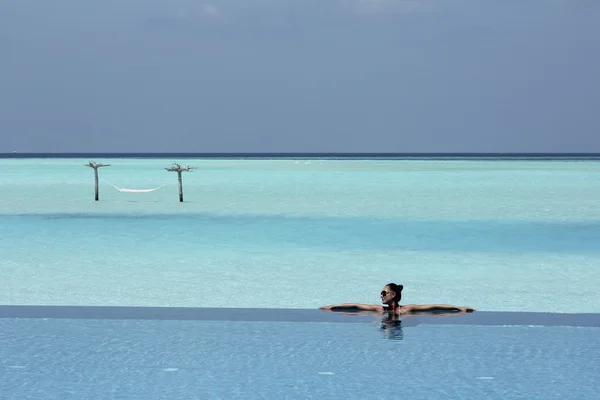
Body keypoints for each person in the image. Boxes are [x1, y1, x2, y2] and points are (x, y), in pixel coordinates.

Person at [319, 283, 475, 315]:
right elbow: (356, 306)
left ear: (392, 295)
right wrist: (334, 306)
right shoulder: (378, 309)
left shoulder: (407, 309)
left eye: (383, 292)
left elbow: (433, 306)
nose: (380, 295)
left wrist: (459, 308)